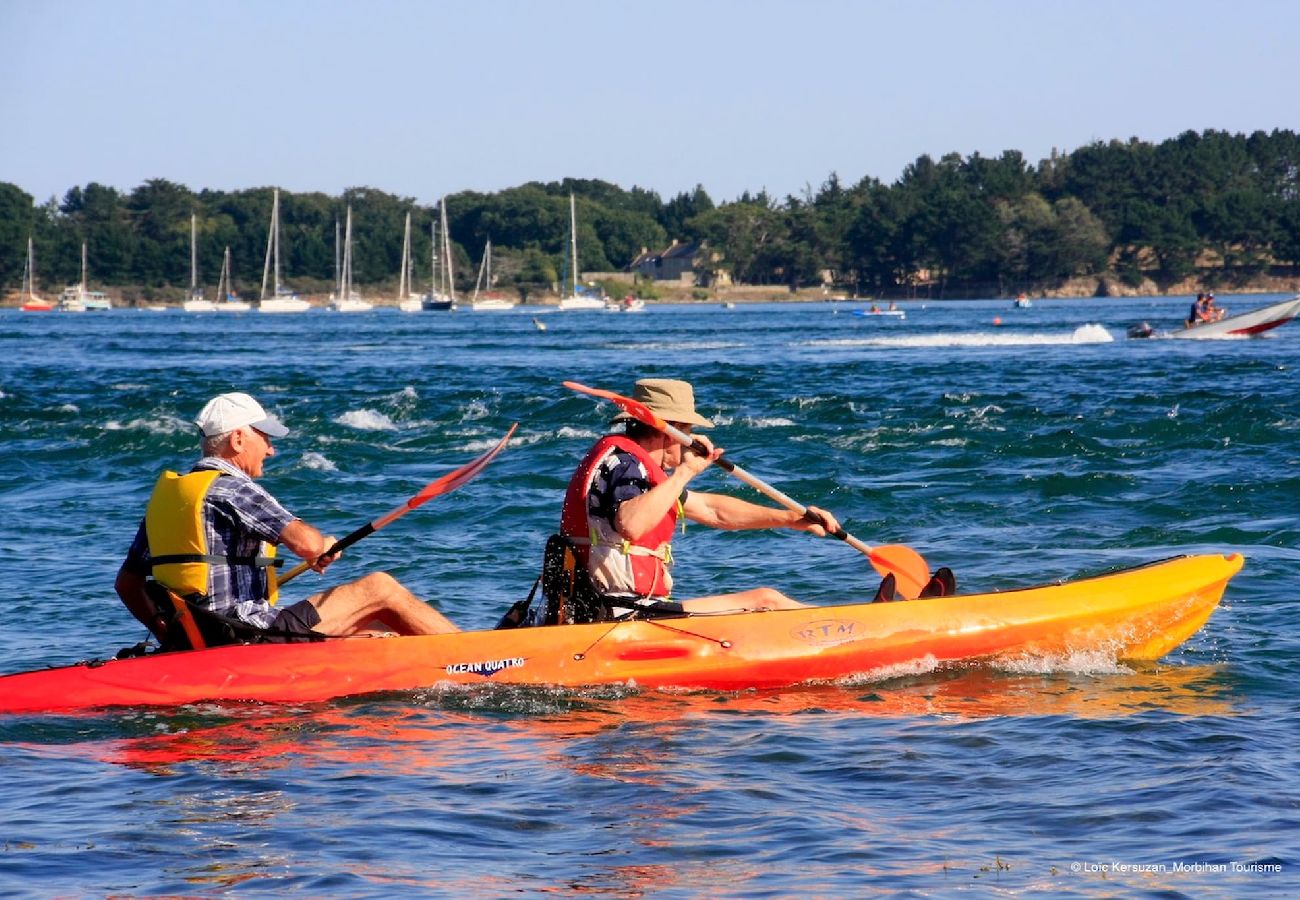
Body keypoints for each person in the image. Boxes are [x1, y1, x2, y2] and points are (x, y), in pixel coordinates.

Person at [115, 392, 458, 648]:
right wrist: (321, 546)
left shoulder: (174, 499)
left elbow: (127, 585)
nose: (271, 449)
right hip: (249, 636)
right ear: (238, 439)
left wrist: (172, 638)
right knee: (379, 588)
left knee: (377, 629)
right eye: (264, 438)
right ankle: (483, 659)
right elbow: (306, 543)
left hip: (205, 636)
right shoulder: (234, 489)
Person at [518, 378, 845, 627]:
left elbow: (713, 511)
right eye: (687, 429)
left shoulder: (635, 466)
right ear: (669, 430)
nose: (691, 440)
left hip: (612, 610)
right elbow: (630, 525)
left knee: (766, 598)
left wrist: (792, 518)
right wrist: (686, 471)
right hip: (620, 614)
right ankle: (848, 631)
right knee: (766, 600)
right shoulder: (626, 465)